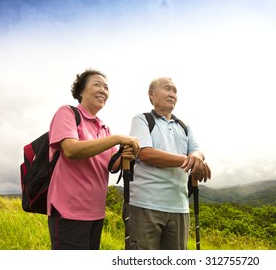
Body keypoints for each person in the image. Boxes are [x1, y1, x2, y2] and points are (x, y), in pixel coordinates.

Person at [47, 69, 140, 250]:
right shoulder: (67, 113)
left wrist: (126, 154)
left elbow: (112, 165)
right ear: (81, 91)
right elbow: (70, 149)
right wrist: (117, 139)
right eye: (97, 84)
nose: (103, 90)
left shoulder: (104, 127)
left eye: (106, 87)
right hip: (69, 210)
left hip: (95, 212)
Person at [127, 76, 211, 250]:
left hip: (179, 207)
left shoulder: (184, 126)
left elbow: (197, 151)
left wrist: (197, 158)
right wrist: (190, 160)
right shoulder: (141, 119)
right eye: (167, 89)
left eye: (175, 90)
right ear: (151, 94)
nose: (172, 94)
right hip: (145, 205)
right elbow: (145, 153)